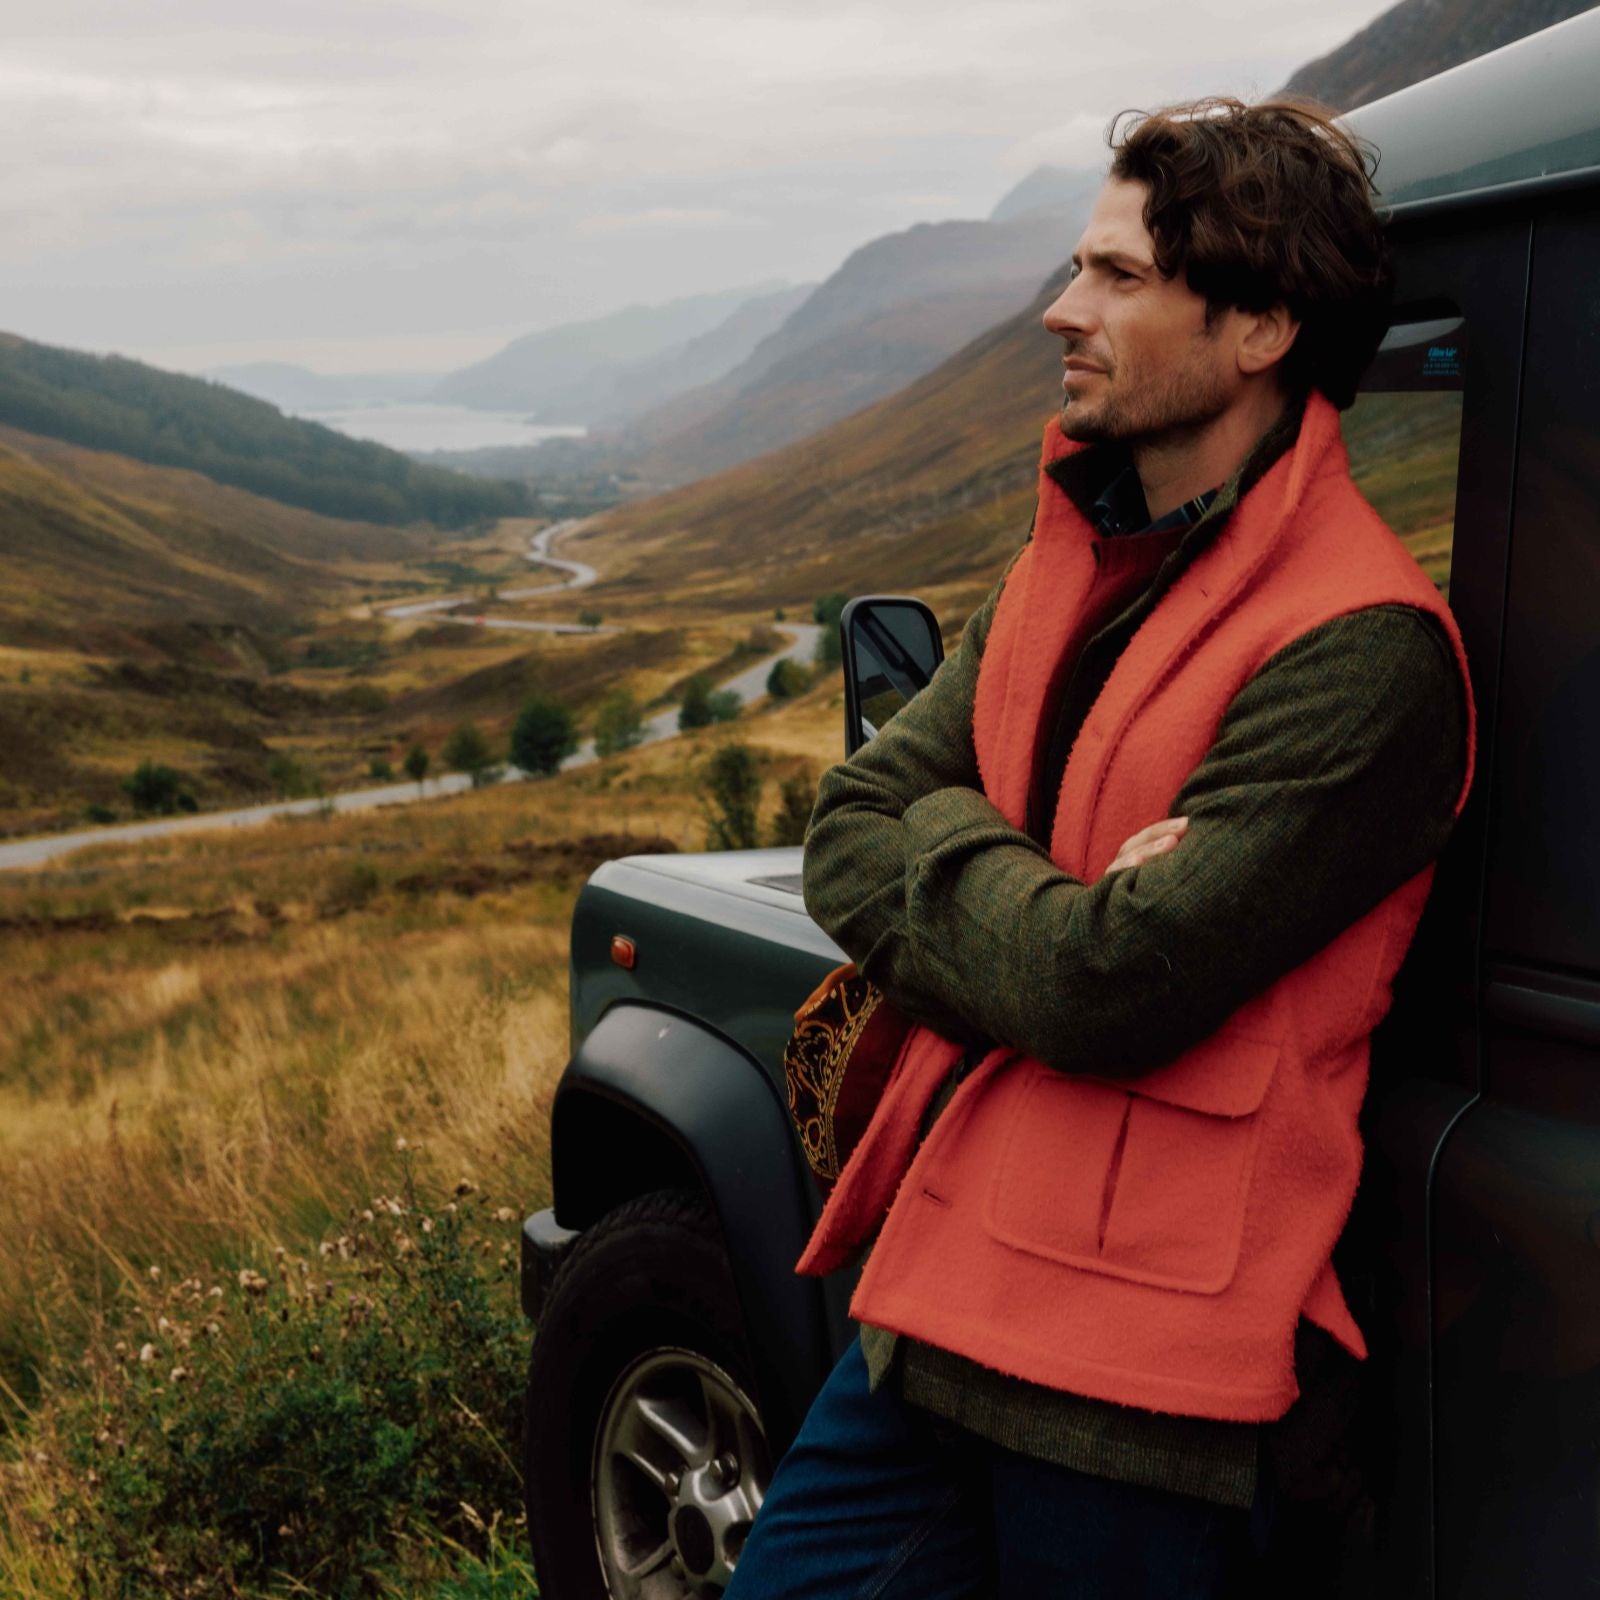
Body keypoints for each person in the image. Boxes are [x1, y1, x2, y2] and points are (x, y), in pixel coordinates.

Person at [724, 97, 1475, 1599]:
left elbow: (1109, 986)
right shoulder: (1062, 566)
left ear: (1259, 329)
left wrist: (966, 843)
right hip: (940, 1297)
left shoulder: (1365, 649)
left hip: (1141, 1387)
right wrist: (1046, 895)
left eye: (1120, 276)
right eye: (1080, 267)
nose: (1063, 310)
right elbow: (849, 827)